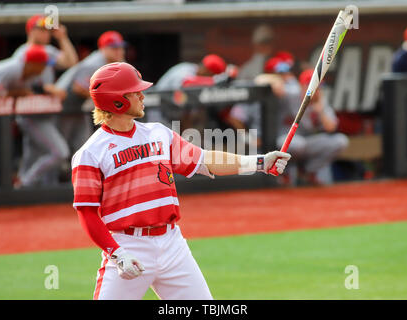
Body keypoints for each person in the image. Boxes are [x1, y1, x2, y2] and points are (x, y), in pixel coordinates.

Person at [71, 62, 291, 300]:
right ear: (117, 100)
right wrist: (116, 253)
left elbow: (205, 160)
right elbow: (87, 213)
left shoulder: (158, 133)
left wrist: (260, 163)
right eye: (135, 92)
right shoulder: (90, 153)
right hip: (127, 246)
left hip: (172, 244)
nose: (142, 95)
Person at [0, 45, 69, 188]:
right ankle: (23, 183)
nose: (45, 69)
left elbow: (31, 89)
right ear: (33, 64)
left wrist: (45, 90)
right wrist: (18, 93)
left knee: (32, 154)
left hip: (24, 117)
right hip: (7, 115)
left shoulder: (32, 73)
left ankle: (24, 184)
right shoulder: (11, 70)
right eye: (44, 65)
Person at [56, 31, 126, 160]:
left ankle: (79, 177)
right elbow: (78, 88)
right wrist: (107, 101)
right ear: (103, 49)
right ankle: (48, 179)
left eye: (120, 47)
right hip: (63, 105)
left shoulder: (115, 63)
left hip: (79, 108)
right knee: (59, 150)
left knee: (84, 146)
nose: (119, 51)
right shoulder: (94, 63)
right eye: (114, 48)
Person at [276, 68, 349, 185]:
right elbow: (267, 81)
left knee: (340, 141)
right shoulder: (291, 94)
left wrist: (320, 112)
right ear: (301, 86)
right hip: (284, 140)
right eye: (310, 85)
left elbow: (331, 128)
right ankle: (284, 173)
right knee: (297, 144)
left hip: (306, 142)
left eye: (318, 86)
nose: (316, 90)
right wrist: (278, 81)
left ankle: (307, 173)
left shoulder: (320, 101)